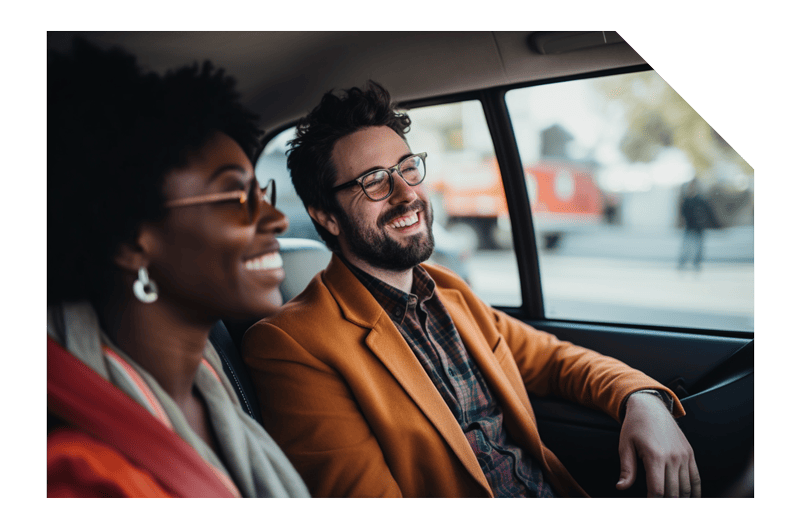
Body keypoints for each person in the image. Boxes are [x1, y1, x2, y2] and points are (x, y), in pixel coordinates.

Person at [242, 81, 700, 498]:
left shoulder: (447, 290)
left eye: (407, 168)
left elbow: (553, 359)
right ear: (325, 215)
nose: (406, 195)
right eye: (375, 181)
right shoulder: (293, 344)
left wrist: (641, 398)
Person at [46, 37, 309, 498]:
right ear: (131, 241)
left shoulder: (210, 390)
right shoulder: (77, 475)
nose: (277, 218)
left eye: (261, 192)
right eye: (236, 197)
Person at [678, 178, 719, 270]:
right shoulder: (687, 200)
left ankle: (696, 262)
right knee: (687, 246)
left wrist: (716, 225)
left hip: (698, 227)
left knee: (698, 246)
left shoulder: (701, 200)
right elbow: (683, 213)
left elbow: (709, 213)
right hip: (690, 226)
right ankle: (683, 262)